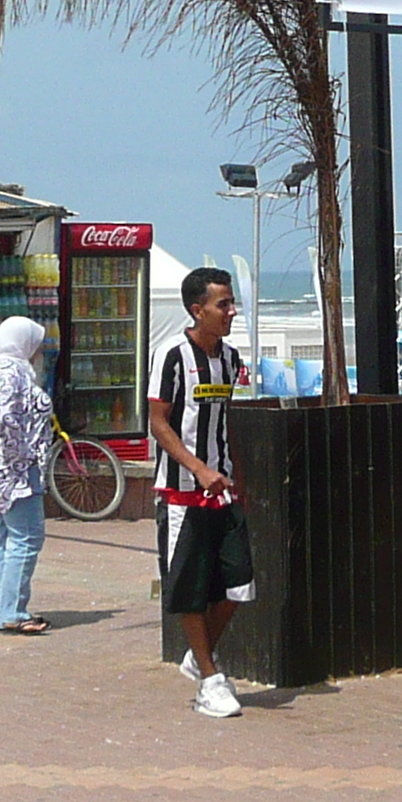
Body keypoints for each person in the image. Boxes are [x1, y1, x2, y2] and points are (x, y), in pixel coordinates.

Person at [148, 266, 253, 719]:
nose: (231, 311)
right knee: (190, 588)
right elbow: (158, 422)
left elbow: (228, 418)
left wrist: (236, 474)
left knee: (240, 583)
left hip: (223, 491)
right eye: (223, 304)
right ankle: (210, 680)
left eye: (232, 303)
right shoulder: (171, 355)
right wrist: (198, 468)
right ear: (198, 310)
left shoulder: (230, 359)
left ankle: (199, 656)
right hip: (182, 493)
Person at [0, 316, 55, 635]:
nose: (37, 351)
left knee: (7, 538)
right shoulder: (12, 370)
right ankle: (12, 611)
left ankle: (3, 608)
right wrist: (24, 454)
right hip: (13, 470)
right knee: (27, 536)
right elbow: (8, 418)